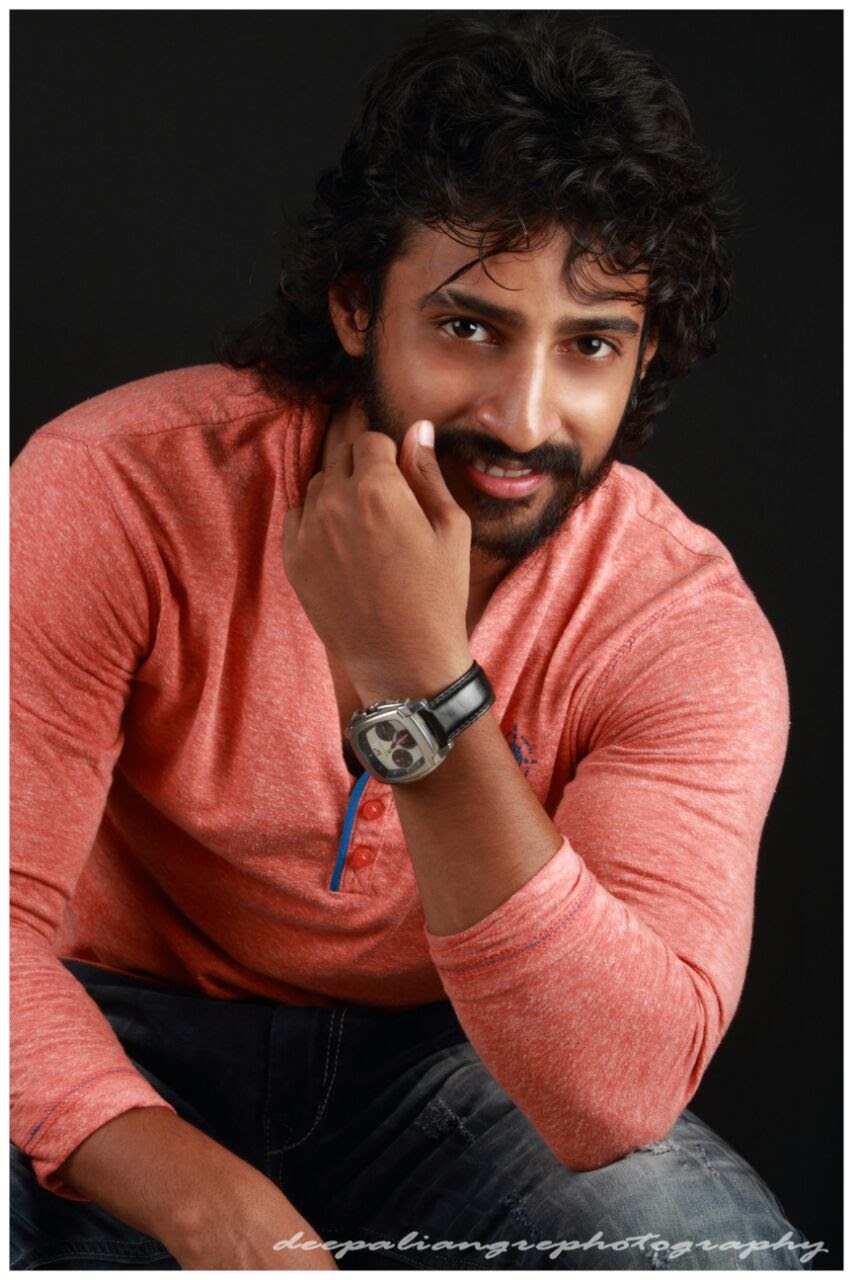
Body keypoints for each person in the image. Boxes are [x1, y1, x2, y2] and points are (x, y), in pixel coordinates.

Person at [10, 11, 820, 1271]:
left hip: (450, 1067)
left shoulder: (680, 627)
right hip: (108, 1030)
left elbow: (613, 1094)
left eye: (589, 344)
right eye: (468, 327)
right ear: (355, 305)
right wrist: (191, 1191)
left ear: (643, 354)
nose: (523, 415)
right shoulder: (115, 489)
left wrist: (423, 686)